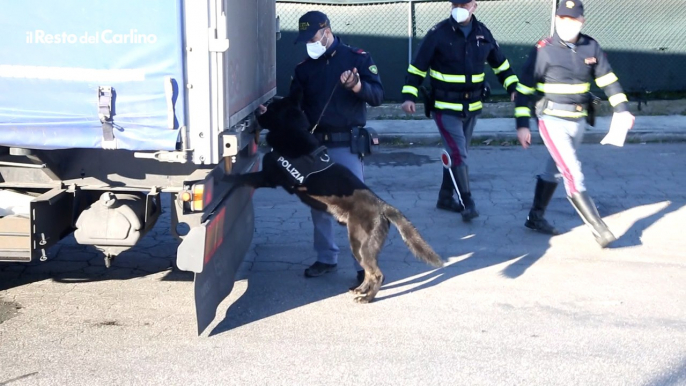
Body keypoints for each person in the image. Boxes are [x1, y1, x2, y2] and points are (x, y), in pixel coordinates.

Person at [514, 0, 634, 248]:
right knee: (572, 171)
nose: (568, 24)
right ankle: (600, 230)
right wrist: (522, 124)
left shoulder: (591, 46)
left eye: (573, 20)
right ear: (557, 20)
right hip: (551, 119)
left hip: (578, 120)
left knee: (555, 170)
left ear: (582, 21)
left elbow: (608, 79)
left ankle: (535, 218)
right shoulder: (543, 50)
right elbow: (524, 90)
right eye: (563, 19)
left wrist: (621, 109)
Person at [401, 0, 519, 222]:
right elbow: (417, 66)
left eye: (464, 4)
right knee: (458, 153)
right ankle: (467, 201)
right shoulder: (438, 33)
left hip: (472, 108)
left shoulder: (483, 34)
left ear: (474, 6)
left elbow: (500, 65)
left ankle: (445, 197)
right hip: (444, 108)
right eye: (455, 3)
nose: (458, 8)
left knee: (458, 154)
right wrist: (409, 95)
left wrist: (513, 87)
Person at [290, 11, 384, 282]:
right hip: (316, 147)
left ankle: (363, 267)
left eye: (314, 37)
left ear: (327, 32)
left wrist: (356, 86)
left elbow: (377, 95)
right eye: (306, 39)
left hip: (346, 144)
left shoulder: (357, 58)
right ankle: (326, 258)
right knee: (319, 206)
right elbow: (295, 106)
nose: (311, 43)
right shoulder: (304, 68)